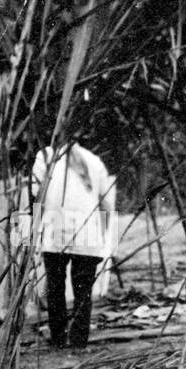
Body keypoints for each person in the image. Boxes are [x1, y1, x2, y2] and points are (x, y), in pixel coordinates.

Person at [30, 143, 117, 350]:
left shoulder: (45, 156)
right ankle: (78, 342)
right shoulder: (94, 160)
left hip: (55, 229)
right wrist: (101, 234)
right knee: (83, 291)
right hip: (87, 232)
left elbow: (35, 195)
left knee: (55, 288)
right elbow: (107, 203)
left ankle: (59, 339)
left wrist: (33, 232)